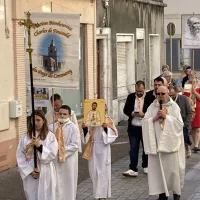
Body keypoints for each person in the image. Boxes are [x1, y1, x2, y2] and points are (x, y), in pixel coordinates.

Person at [142, 86, 185, 200]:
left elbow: (179, 125)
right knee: (159, 172)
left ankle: (176, 193)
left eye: (163, 93)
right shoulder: (152, 106)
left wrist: (167, 117)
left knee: (173, 172)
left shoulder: (174, 107)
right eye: (158, 93)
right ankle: (162, 194)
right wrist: (155, 118)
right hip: (157, 145)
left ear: (167, 94)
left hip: (170, 146)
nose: (160, 96)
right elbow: (145, 122)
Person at [16, 110, 58, 200]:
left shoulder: (50, 136)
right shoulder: (26, 137)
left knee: (46, 196)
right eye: (33, 120)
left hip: (46, 171)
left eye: (38, 120)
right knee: (32, 195)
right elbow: (20, 156)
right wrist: (30, 171)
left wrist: (39, 146)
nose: (36, 123)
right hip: (31, 172)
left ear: (43, 121)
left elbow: (52, 154)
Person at [81, 104, 118, 200]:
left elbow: (114, 134)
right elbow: (86, 137)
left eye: (105, 109)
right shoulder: (90, 117)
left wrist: (106, 128)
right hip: (93, 147)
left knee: (103, 171)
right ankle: (96, 194)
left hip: (103, 147)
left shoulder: (108, 120)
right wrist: (85, 129)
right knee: (93, 171)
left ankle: (102, 196)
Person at [49, 105, 79, 200]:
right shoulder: (52, 127)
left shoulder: (73, 128)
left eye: (65, 114)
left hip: (68, 160)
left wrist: (61, 150)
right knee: (56, 182)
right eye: (60, 114)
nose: (62, 116)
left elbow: (75, 144)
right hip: (55, 159)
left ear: (70, 115)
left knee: (68, 182)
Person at [122, 81, 148, 177]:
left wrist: (144, 114)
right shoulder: (131, 97)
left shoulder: (149, 97)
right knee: (133, 148)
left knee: (146, 147)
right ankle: (133, 168)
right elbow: (125, 110)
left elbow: (151, 110)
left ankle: (146, 165)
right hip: (134, 126)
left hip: (145, 126)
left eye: (141, 91)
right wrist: (132, 113)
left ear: (144, 89)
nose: (139, 93)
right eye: (137, 91)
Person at [169, 86, 193, 158]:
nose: (171, 97)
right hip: (172, 125)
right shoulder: (166, 100)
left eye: (173, 95)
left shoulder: (184, 99)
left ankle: (185, 150)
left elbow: (189, 112)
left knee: (183, 141)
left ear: (176, 93)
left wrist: (186, 124)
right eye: (169, 95)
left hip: (183, 124)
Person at [183, 71, 200, 153]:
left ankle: (196, 145)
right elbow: (185, 96)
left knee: (197, 128)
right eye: (189, 75)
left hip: (198, 107)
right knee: (192, 127)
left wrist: (195, 92)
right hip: (189, 108)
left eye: (192, 75)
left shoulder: (199, 84)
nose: (190, 77)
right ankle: (192, 143)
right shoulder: (186, 85)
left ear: (195, 76)